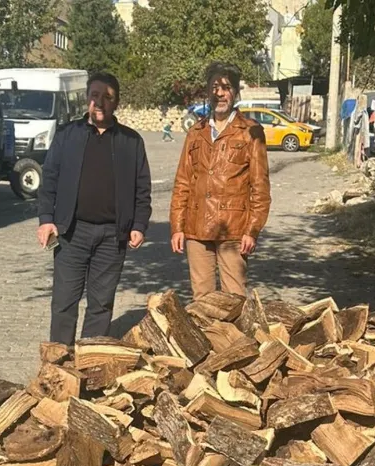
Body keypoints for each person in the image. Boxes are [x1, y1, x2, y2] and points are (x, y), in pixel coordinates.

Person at [37, 71, 152, 346]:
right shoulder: (68, 135)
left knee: (101, 305)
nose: (100, 102)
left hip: (113, 238)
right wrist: (46, 219)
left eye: (107, 97)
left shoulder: (131, 141)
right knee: (64, 303)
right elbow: (49, 179)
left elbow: (142, 189)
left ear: (117, 102)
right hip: (72, 233)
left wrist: (138, 225)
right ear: (87, 98)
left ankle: (91, 364)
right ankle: (59, 366)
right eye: (95, 95)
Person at [170, 62, 271, 298]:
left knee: (234, 299)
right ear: (208, 92)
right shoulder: (196, 132)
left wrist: (252, 230)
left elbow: (260, 188)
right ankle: (205, 336)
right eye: (215, 87)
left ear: (235, 92)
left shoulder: (250, 131)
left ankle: (235, 337)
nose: (220, 93)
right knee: (202, 301)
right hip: (196, 229)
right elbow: (182, 182)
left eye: (226, 87)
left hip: (233, 230)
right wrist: (177, 226)